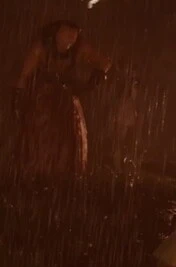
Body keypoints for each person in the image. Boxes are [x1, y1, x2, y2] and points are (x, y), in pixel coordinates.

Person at [12, 20, 112, 179]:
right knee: (41, 137)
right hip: (43, 100)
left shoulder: (79, 48)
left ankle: (65, 174)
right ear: (56, 33)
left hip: (66, 101)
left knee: (68, 139)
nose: (70, 39)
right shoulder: (41, 48)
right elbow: (24, 75)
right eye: (66, 34)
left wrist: (95, 79)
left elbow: (104, 62)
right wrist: (18, 98)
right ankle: (39, 172)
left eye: (74, 36)